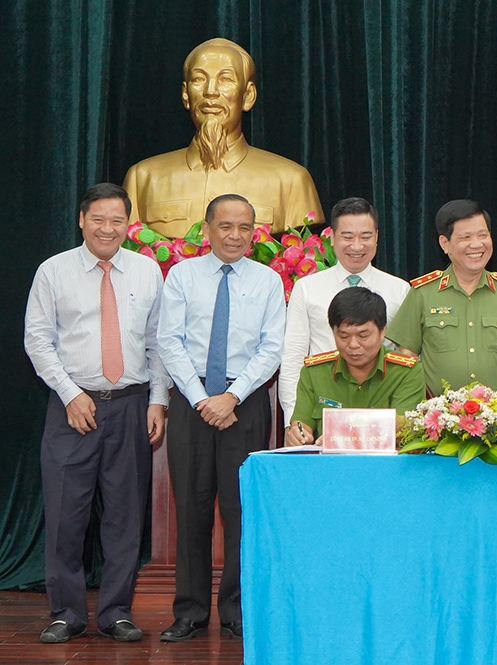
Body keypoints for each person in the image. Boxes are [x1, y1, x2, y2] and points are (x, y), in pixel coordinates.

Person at [24, 183, 170, 644]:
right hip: (72, 408)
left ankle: (116, 613)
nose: (108, 228)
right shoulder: (54, 271)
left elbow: (159, 342)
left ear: (129, 225)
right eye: (99, 219)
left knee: (125, 518)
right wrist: (69, 393)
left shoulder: (147, 271)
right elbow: (38, 340)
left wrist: (158, 401)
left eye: (117, 220)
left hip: (130, 407)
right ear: (82, 220)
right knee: (67, 515)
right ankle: (66, 612)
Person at [156, 194, 285, 641]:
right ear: (206, 229)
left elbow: (272, 348)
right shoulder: (182, 276)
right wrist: (201, 399)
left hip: (244, 402)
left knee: (240, 509)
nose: (235, 235)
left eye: (245, 227)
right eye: (226, 226)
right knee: (191, 508)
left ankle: (236, 609)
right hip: (192, 402)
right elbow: (169, 341)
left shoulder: (268, 281)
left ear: (255, 232)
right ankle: (189, 612)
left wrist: (230, 396)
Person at [123, 38, 323, 237]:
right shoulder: (143, 178)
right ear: (185, 94)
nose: (210, 91)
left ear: (248, 96)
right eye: (199, 79)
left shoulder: (290, 181)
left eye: (226, 79)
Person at [279, 197, 410, 442]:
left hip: (380, 419)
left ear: (377, 237)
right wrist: (294, 422)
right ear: (332, 237)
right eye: (347, 236)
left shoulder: (399, 290)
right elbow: (293, 356)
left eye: (365, 236)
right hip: (322, 413)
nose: (357, 246)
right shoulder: (307, 288)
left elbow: (405, 358)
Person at [386, 199, 497, 394]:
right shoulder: (422, 293)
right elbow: (407, 354)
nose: (477, 244)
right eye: (466, 237)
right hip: (436, 418)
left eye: (483, 235)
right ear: (445, 244)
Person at [285, 288, 425, 445]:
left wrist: (344, 434)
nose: (353, 345)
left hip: (386, 465)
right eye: (343, 336)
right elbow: (301, 422)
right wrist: (298, 434)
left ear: (382, 331)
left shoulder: (406, 371)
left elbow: (405, 426)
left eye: (363, 336)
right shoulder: (314, 372)